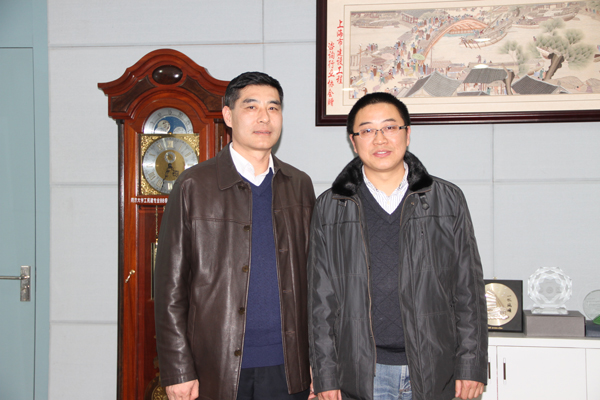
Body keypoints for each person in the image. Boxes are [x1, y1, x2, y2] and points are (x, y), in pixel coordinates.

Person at [307, 92, 488, 400]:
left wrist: (471, 364)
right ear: (353, 141)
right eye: (367, 130)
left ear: (407, 133)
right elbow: (320, 302)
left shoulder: (447, 200)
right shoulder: (331, 206)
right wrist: (324, 375)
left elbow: (467, 289)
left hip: (434, 369)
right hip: (362, 373)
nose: (380, 139)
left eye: (390, 127)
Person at [154, 72, 316, 400]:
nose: (264, 117)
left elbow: (316, 281)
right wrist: (178, 369)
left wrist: (320, 363)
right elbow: (169, 288)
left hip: (289, 367)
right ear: (228, 116)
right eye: (251, 107)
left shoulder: (299, 185)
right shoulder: (193, 186)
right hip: (215, 368)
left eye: (273, 108)